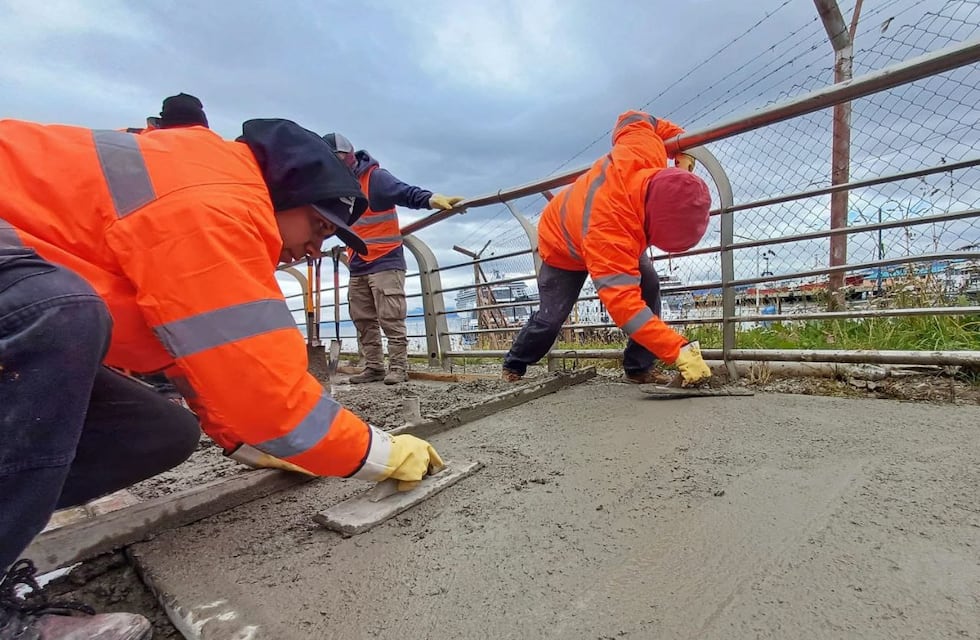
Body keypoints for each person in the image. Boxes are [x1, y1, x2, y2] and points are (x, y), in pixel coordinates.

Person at [0, 117, 443, 638]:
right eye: (319, 227)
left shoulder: (208, 199)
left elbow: (197, 367)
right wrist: (380, 453)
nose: (316, 250)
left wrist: (247, 443)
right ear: (287, 195)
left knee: (157, 433)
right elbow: (269, 398)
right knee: (56, 312)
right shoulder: (214, 207)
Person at [502, 110, 713, 387]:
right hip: (563, 245)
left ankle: (639, 367)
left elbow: (635, 118)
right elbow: (626, 308)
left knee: (649, 287)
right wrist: (680, 350)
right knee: (551, 317)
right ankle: (514, 364)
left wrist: (681, 151)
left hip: (617, 226)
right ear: (650, 225)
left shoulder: (645, 152)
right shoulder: (610, 232)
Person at [323, 132, 464, 385]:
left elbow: (405, 192)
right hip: (357, 263)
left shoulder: (375, 178)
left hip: (385, 260)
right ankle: (374, 367)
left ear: (348, 158)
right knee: (363, 318)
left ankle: (398, 367)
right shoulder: (335, 186)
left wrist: (432, 199)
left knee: (391, 318)